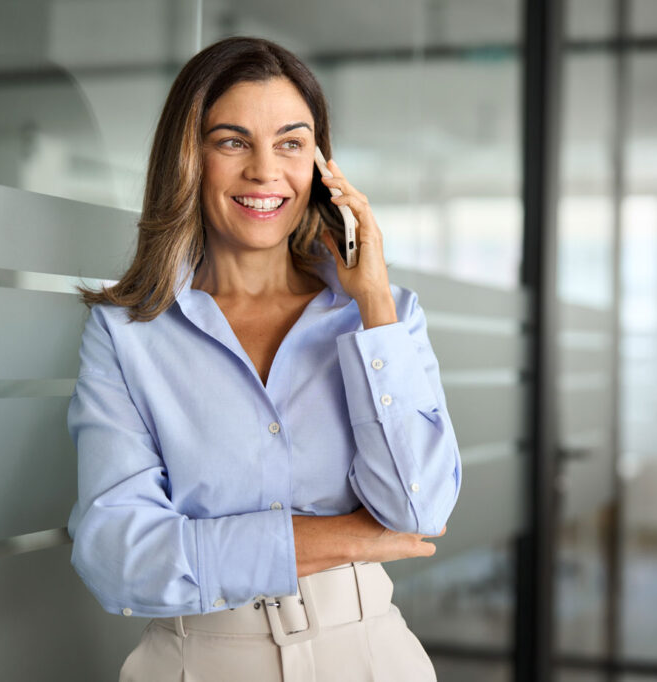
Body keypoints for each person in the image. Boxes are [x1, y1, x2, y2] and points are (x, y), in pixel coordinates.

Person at [66, 36, 462, 681]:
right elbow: (120, 558)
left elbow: (418, 511)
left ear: (321, 166)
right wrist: (349, 537)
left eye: (291, 143)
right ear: (189, 159)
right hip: (196, 661)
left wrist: (373, 303)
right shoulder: (126, 332)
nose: (264, 170)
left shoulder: (384, 319)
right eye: (232, 141)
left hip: (368, 656)